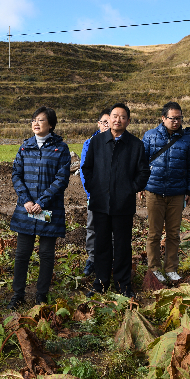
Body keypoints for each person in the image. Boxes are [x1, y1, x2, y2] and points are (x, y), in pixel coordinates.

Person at [81, 103, 150, 298]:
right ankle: (101, 282)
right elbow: (87, 168)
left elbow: (143, 172)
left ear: (128, 121)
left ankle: (123, 283)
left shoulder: (135, 145)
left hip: (123, 205)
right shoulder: (97, 142)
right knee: (101, 244)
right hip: (100, 203)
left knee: (122, 245)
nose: (117, 120)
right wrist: (94, 188)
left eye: (122, 117)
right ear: (108, 119)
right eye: (114, 116)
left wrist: (130, 189)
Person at [9, 107, 71, 309]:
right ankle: (18, 294)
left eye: (41, 120)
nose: (36, 123)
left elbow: (61, 179)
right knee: (22, 253)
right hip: (27, 208)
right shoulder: (25, 147)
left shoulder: (60, 148)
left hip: (48, 209)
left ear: (51, 125)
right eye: (34, 120)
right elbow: (16, 174)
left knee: (46, 254)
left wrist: (41, 202)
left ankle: (41, 295)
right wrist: (26, 201)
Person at [141, 102, 190, 283]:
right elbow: (141, 163)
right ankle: (154, 268)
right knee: (154, 233)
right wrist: (141, 185)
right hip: (154, 191)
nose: (176, 122)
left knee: (173, 234)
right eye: (172, 118)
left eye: (179, 118)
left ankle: (171, 268)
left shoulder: (188, 140)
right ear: (163, 118)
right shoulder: (150, 136)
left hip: (177, 192)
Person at [78, 108, 111, 276]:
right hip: (95, 194)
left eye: (109, 122)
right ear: (98, 124)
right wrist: (90, 192)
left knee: (113, 228)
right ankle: (92, 259)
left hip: (114, 195)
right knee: (92, 227)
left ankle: (111, 259)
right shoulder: (90, 143)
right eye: (104, 122)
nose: (107, 125)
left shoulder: (120, 142)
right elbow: (84, 170)